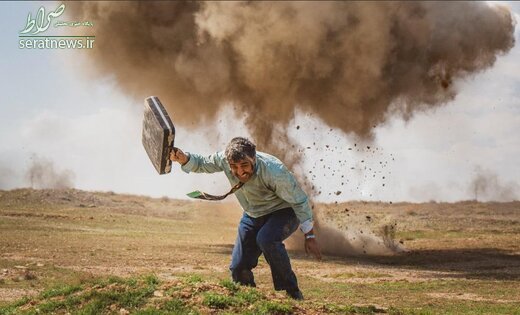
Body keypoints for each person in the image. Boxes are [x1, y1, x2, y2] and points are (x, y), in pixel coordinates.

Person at [170, 137, 321, 300]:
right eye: (234, 167)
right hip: (253, 214)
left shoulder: (274, 171)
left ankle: (292, 293)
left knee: (266, 239)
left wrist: (310, 235)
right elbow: (203, 163)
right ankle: (248, 297)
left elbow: (299, 201)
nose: (240, 172)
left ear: (254, 159)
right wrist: (184, 159)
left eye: (244, 166)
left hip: (283, 211)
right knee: (238, 268)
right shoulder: (223, 158)